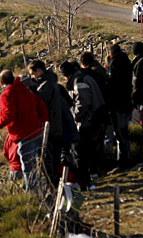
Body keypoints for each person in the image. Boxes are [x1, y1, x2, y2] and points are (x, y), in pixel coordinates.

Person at [0, 69, 48, 191]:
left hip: (23, 135)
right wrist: (43, 123)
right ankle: (46, 189)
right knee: (40, 165)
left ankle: (34, 198)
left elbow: (9, 114)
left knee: (29, 169)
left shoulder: (7, 94)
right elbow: (41, 105)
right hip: (37, 132)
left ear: (1, 82)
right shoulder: (25, 90)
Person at [60, 60, 105, 188]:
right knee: (93, 147)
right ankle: (95, 172)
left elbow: (83, 102)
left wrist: (75, 116)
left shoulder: (79, 82)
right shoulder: (84, 77)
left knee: (85, 149)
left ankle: (91, 175)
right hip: (96, 116)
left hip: (89, 119)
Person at [106, 43, 133, 169]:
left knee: (120, 134)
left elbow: (112, 85)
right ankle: (125, 157)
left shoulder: (114, 63)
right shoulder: (127, 62)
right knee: (124, 131)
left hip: (118, 102)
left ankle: (123, 160)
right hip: (127, 100)